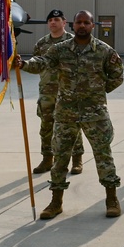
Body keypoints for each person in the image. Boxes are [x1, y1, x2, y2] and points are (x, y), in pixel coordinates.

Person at [17, 11, 124, 220]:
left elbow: (117, 76)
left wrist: (97, 92)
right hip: (66, 112)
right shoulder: (60, 49)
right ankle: (56, 201)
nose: (82, 25)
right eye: (79, 22)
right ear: (73, 25)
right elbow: (42, 63)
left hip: (95, 113)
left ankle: (111, 198)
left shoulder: (103, 50)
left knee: (103, 155)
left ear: (93, 25)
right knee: (60, 157)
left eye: (86, 22)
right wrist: (23, 64)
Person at [30, 9, 85, 175]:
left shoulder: (73, 41)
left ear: (64, 22)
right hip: (47, 91)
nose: (53, 22)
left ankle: (77, 159)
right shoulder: (41, 44)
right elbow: (37, 64)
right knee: (46, 126)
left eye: (56, 20)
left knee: (72, 126)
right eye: (50, 20)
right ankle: (47, 159)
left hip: (69, 92)